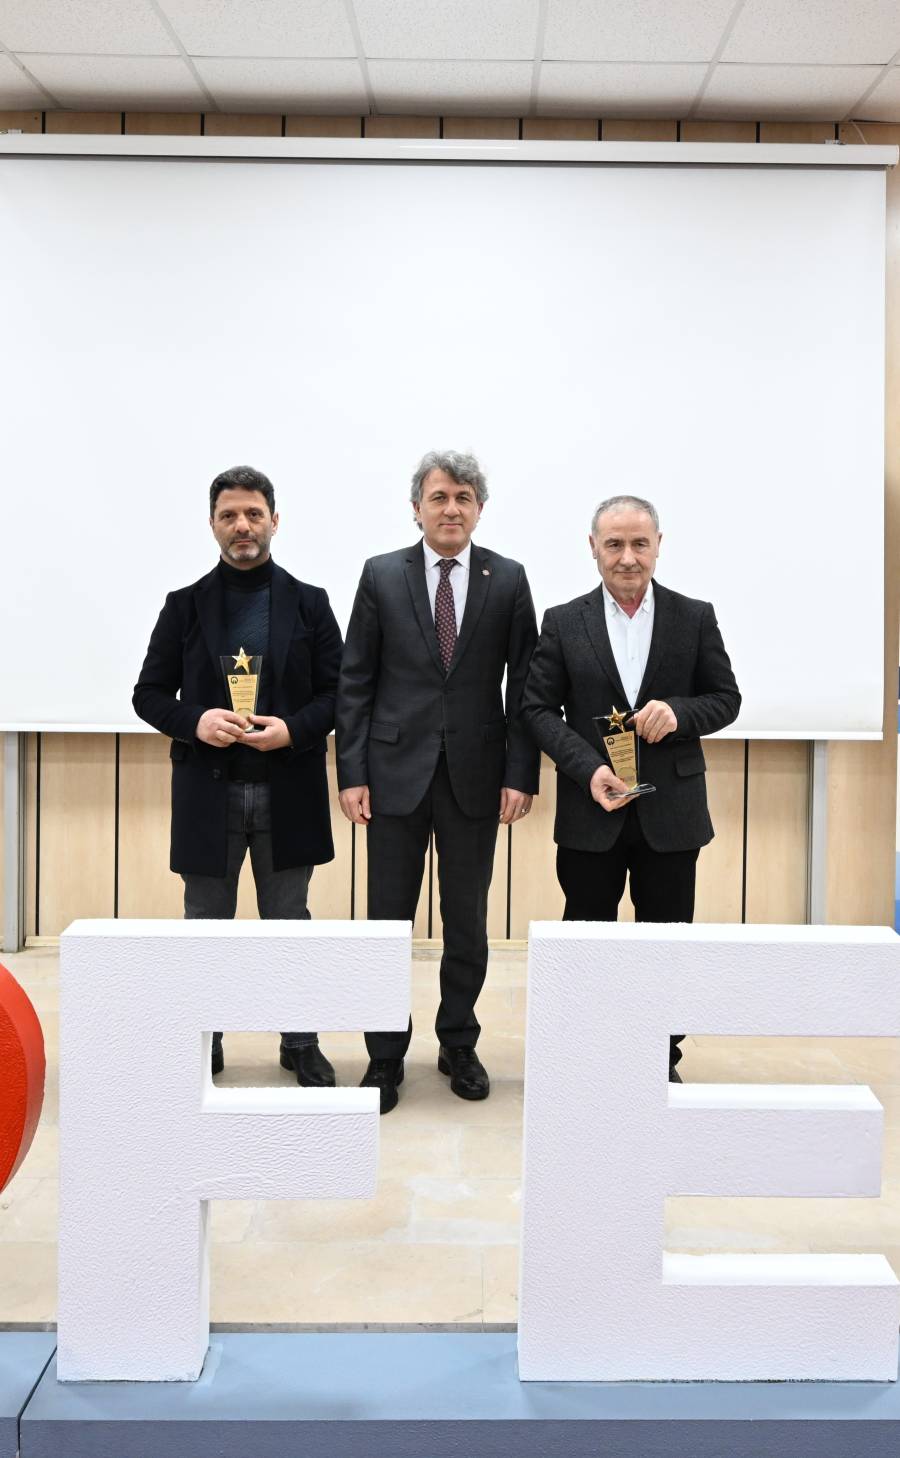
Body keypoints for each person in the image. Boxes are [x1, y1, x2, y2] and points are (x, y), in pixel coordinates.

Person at [336, 450, 540, 1113]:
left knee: (467, 922)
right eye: (439, 497)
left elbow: (525, 688)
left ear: (479, 509)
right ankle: (384, 1054)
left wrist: (520, 772)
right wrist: (351, 772)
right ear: (416, 508)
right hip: (392, 775)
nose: (451, 509)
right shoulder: (381, 574)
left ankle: (459, 1041)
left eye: (463, 498)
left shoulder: (508, 579)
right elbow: (356, 680)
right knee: (386, 923)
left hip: (476, 778)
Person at [133, 464, 343, 1086]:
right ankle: (207, 1041)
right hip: (208, 792)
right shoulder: (183, 606)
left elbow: (339, 695)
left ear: (275, 520)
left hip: (288, 789)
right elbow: (148, 695)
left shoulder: (311, 603)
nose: (242, 525)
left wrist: (293, 730)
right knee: (205, 926)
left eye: (253, 513)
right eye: (229, 515)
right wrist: (195, 721)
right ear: (212, 525)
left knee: (290, 923)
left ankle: (300, 1041)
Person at [520, 494, 741, 1081]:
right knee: (587, 941)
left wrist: (680, 712)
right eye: (614, 544)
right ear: (593, 548)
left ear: (658, 546)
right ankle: (587, 1056)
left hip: (673, 815)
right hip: (592, 809)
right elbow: (537, 709)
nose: (627, 557)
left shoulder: (694, 616)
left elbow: (726, 699)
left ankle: (658, 1058)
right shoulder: (563, 621)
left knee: (666, 944)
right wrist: (587, 768)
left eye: (639, 543)